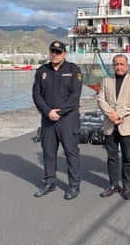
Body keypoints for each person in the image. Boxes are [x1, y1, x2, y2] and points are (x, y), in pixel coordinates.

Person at [32, 41, 83, 200]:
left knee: (71, 152)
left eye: (58, 52)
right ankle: (49, 181)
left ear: (64, 54)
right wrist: (48, 112)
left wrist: (59, 112)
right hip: (48, 119)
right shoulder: (42, 71)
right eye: (52, 51)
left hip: (68, 119)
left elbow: (75, 97)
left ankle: (74, 185)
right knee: (48, 152)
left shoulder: (74, 70)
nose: (54, 54)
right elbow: (36, 95)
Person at [97, 54, 130, 200]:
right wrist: (111, 114)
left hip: (126, 124)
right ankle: (113, 184)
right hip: (110, 124)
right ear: (113, 66)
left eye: (122, 64)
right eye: (116, 64)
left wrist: (118, 114)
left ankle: (127, 185)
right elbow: (100, 99)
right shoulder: (106, 81)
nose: (119, 67)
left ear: (127, 66)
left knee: (127, 157)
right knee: (112, 157)